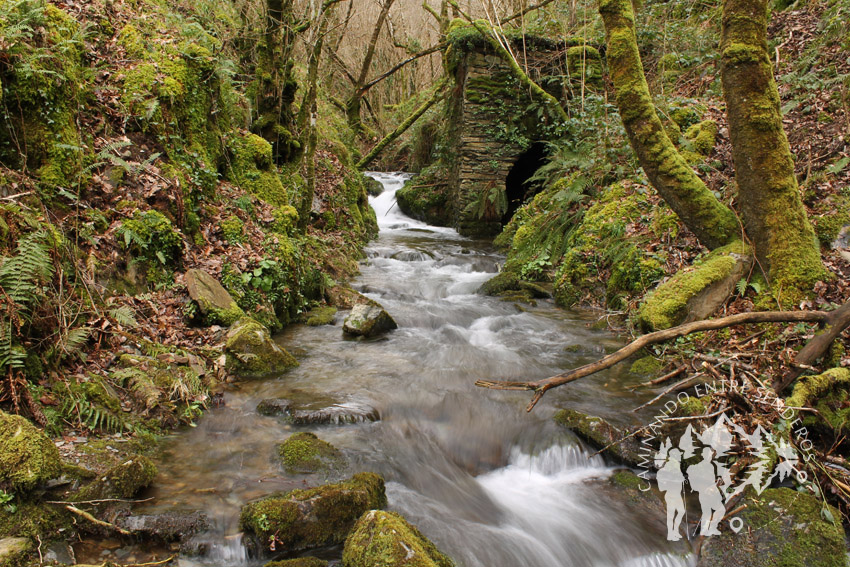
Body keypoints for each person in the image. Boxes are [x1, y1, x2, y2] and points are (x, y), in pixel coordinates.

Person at [687, 447, 725, 536]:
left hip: (710, 491)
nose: (713, 456)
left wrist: (717, 482)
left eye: (713, 454)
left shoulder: (711, 465)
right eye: (711, 454)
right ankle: (706, 530)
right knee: (710, 511)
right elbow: (702, 480)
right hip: (705, 492)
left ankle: (709, 529)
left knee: (714, 510)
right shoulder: (702, 467)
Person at [656, 447, 686, 541]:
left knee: (681, 512)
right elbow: (661, 488)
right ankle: (670, 534)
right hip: (671, 495)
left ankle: (675, 531)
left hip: (677, 494)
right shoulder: (664, 471)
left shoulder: (677, 469)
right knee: (671, 515)